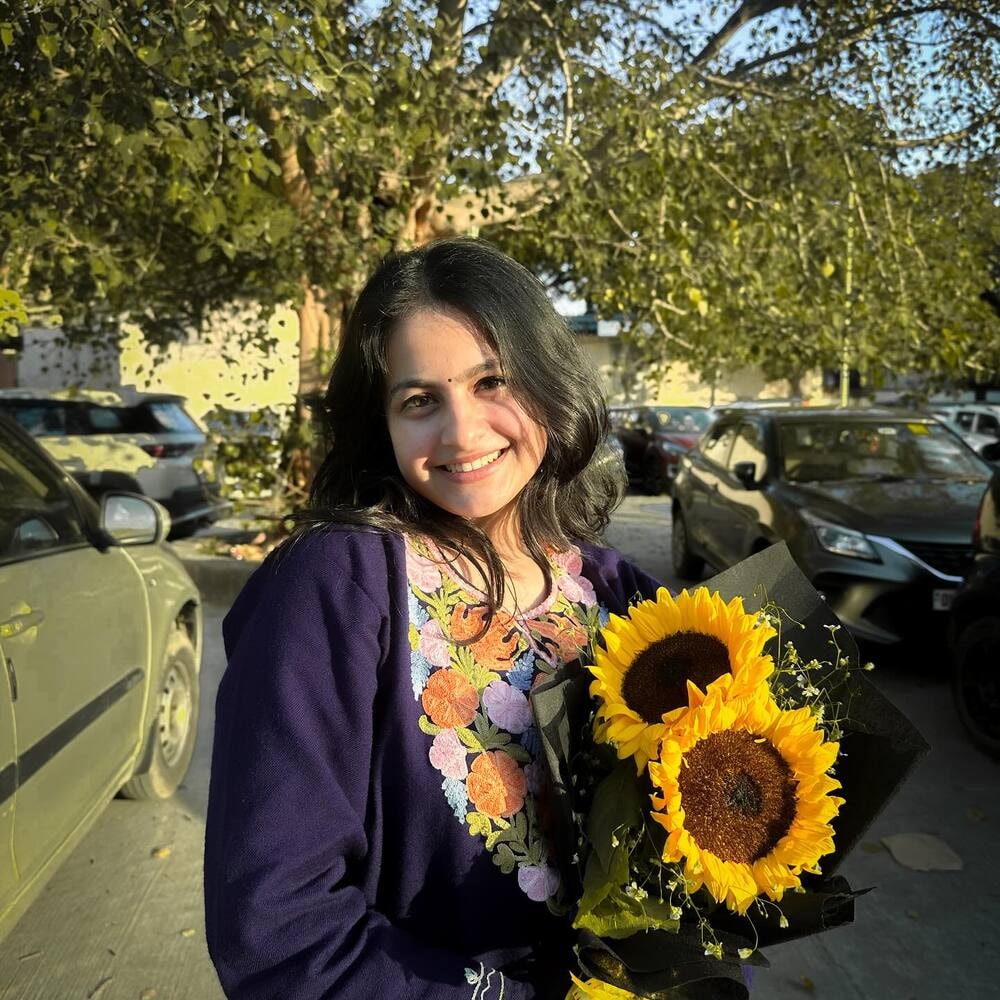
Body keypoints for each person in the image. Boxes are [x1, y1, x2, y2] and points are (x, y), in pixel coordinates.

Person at [203, 238, 663, 999]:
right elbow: (277, 928)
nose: (462, 432)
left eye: (493, 382)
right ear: (379, 423)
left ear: (548, 383)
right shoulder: (336, 586)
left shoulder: (624, 600)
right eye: (420, 401)